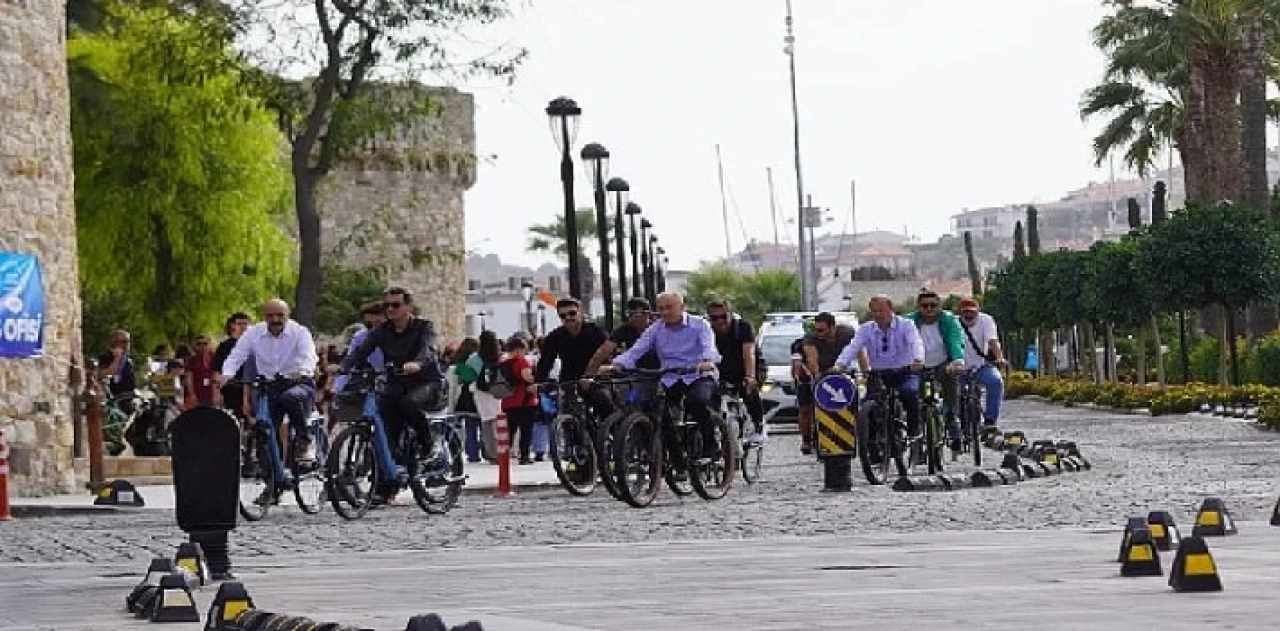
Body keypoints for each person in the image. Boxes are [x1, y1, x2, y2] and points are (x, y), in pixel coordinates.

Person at [600, 292, 722, 458]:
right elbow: (636, 351)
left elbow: (709, 347)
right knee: (656, 410)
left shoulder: (700, 325)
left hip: (699, 375)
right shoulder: (655, 329)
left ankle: (711, 444)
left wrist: (707, 361)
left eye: (669, 307)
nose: (665, 312)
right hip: (670, 378)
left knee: (696, 402)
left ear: (682, 307)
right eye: (661, 308)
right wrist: (615, 365)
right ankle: (676, 458)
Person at [340, 287, 447, 475]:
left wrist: (417, 363)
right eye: (386, 305)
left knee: (408, 403)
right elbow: (362, 350)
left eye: (395, 305)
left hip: (427, 383)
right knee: (385, 417)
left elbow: (428, 349)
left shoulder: (424, 327)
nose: (390, 309)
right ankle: (388, 474)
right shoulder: (381, 331)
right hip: (396, 383)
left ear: (408, 307)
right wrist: (343, 367)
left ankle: (428, 446)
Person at [215, 299, 320, 462]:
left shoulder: (300, 332)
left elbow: (309, 355)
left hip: (297, 383)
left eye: (280, 315)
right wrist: (227, 375)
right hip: (268, 386)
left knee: (290, 398)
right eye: (270, 316)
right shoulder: (253, 333)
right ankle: (272, 476)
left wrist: (304, 371)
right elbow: (237, 356)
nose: (275, 320)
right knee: (266, 427)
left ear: (288, 315)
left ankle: (305, 440)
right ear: (264, 316)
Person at [830, 295, 926, 439]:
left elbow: (915, 342)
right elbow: (853, 347)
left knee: (909, 392)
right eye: (874, 311)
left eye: (881, 311)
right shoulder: (865, 329)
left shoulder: (906, 325)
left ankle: (914, 428)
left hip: (905, 371)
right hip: (879, 373)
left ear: (891, 309)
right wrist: (840, 364)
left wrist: (918, 359)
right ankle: (873, 446)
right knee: (869, 405)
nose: (877, 315)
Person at [905, 290, 966, 449]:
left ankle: (953, 426)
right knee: (911, 395)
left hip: (943, 364)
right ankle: (915, 432)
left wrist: (957, 362)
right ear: (918, 307)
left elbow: (955, 341)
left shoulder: (949, 320)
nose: (929, 309)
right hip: (917, 365)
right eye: (925, 306)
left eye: (933, 305)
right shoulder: (909, 321)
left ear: (940, 306)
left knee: (951, 389)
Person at [705, 299, 765, 444]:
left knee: (749, 389)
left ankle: (758, 426)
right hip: (721, 367)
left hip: (747, 365)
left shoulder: (743, 327)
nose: (720, 321)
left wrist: (750, 377)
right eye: (714, 318)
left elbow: (748, 354)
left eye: (723, 316)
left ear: (730, 314)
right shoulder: (705, 329)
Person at [585, 297, 659, 411]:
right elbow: (604, 350)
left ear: (647, 314)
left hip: (661, 372)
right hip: (636, 374)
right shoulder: (625, 329)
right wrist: (590, 373)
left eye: (636, 314)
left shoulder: (658, 327)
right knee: (626, 400)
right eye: (629, 314)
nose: (632, 318)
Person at [800, 312, 856, 454]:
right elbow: (811, 359)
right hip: (819, 371)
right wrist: (818, 377)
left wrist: (867, 372)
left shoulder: (847, 333)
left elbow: (860, 352)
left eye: (821, 330)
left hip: (841, 371)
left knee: (853, 399)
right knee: (807, 405)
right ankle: (807, 439)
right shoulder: (811, 338)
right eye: (816, 329)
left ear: (833, 327)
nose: (818, 333)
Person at [957, 297, 1007, 434]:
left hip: (981, 366)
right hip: (958, 369)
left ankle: (990, 421)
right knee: (954, 393)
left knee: (996, 381)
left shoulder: (986, 320)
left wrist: (1000, 358)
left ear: (978, 312)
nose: (969, 315)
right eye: (965, 312)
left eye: (972, 312)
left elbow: (992, 341)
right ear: (960, 313)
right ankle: (954, 424)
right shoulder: (953, 323)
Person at [535, 297, 608, 385]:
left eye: (572, 313)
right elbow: (545, 362)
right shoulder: (555, 336)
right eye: (563, 316)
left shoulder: (597, 333)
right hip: (568, 384)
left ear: (580, 313)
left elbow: (607, 358)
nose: (568, 317)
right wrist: (538, 383)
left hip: (596, 381)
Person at [499, 336, 539, 464]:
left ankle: (504, 456)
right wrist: (536, 378)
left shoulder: (502, 363)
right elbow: (527, 378)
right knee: (526, 431)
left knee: (509, 431)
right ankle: (524, 456)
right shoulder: (522, 362)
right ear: (519, 349)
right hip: (524, 400)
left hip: (507, 400)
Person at [212, 312, 254, 420]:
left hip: (252, 387)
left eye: (246, 324)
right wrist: (216, 392)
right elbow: (216, 371)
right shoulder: (224, 346)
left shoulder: (254, 345)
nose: (243, 326)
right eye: (240, 323)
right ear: (232, 325)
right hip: (232, 388)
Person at [448, 337, 483, 463]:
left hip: (463, 398)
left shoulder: (458, 363)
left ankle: (472, 454)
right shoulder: (476, 361)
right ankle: (480, 451)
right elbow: (471, 379)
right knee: (480, 426)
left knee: (470, 428)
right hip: (474, 397)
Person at [96, 330, 137, 399]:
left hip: (128, 398)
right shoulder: (105, 358)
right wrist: (117, 358)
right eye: (124, 342)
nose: (127, 344)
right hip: (112, 400)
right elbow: (103, 374)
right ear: (114, 343)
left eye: (128, 341)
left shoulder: (127, 360)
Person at [183, 334, 217, 407]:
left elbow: (217, 376)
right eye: (199, 344)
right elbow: (189, 378)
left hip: (212, 395)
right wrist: (192, 395)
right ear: (195, 346)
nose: (202, 346)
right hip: (197, 396)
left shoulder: (215, 358)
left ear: (209, 344)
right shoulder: (191, 361)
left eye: (205, 343)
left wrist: (217, 394)